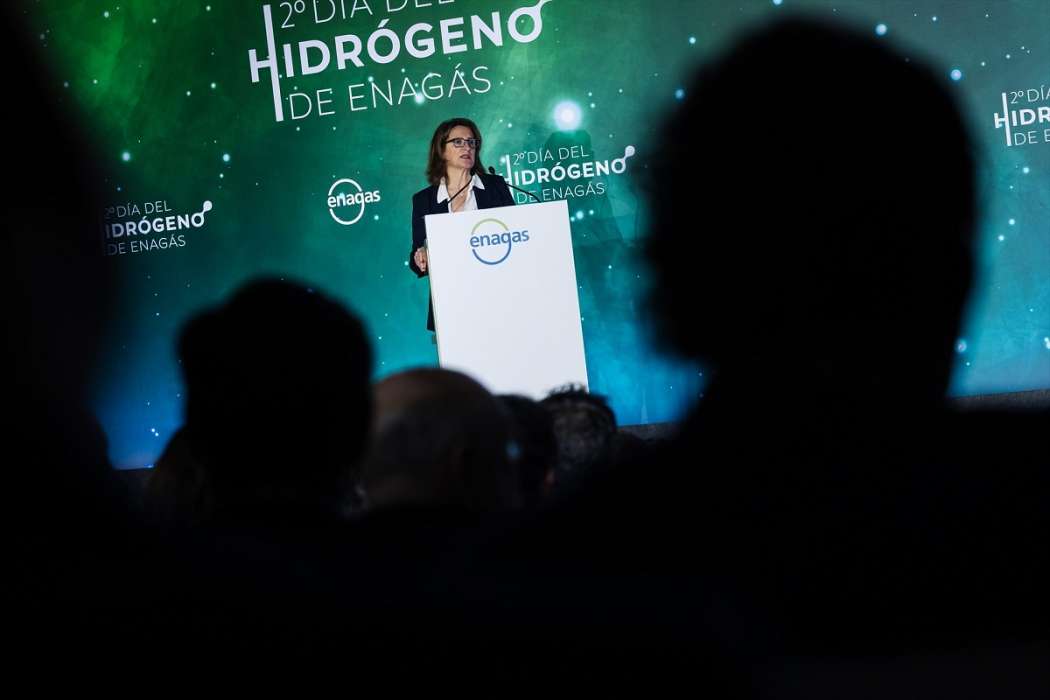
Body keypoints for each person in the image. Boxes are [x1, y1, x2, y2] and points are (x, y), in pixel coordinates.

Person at [408, 117, 515, 331]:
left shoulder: (495, 186)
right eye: (458, 142)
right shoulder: (424, 200)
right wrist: (420, 257)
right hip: (452, 304)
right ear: (441, 150)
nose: (467, 147)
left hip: (501, 295)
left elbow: (517, 235)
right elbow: (417, 255)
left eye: (471, 142)